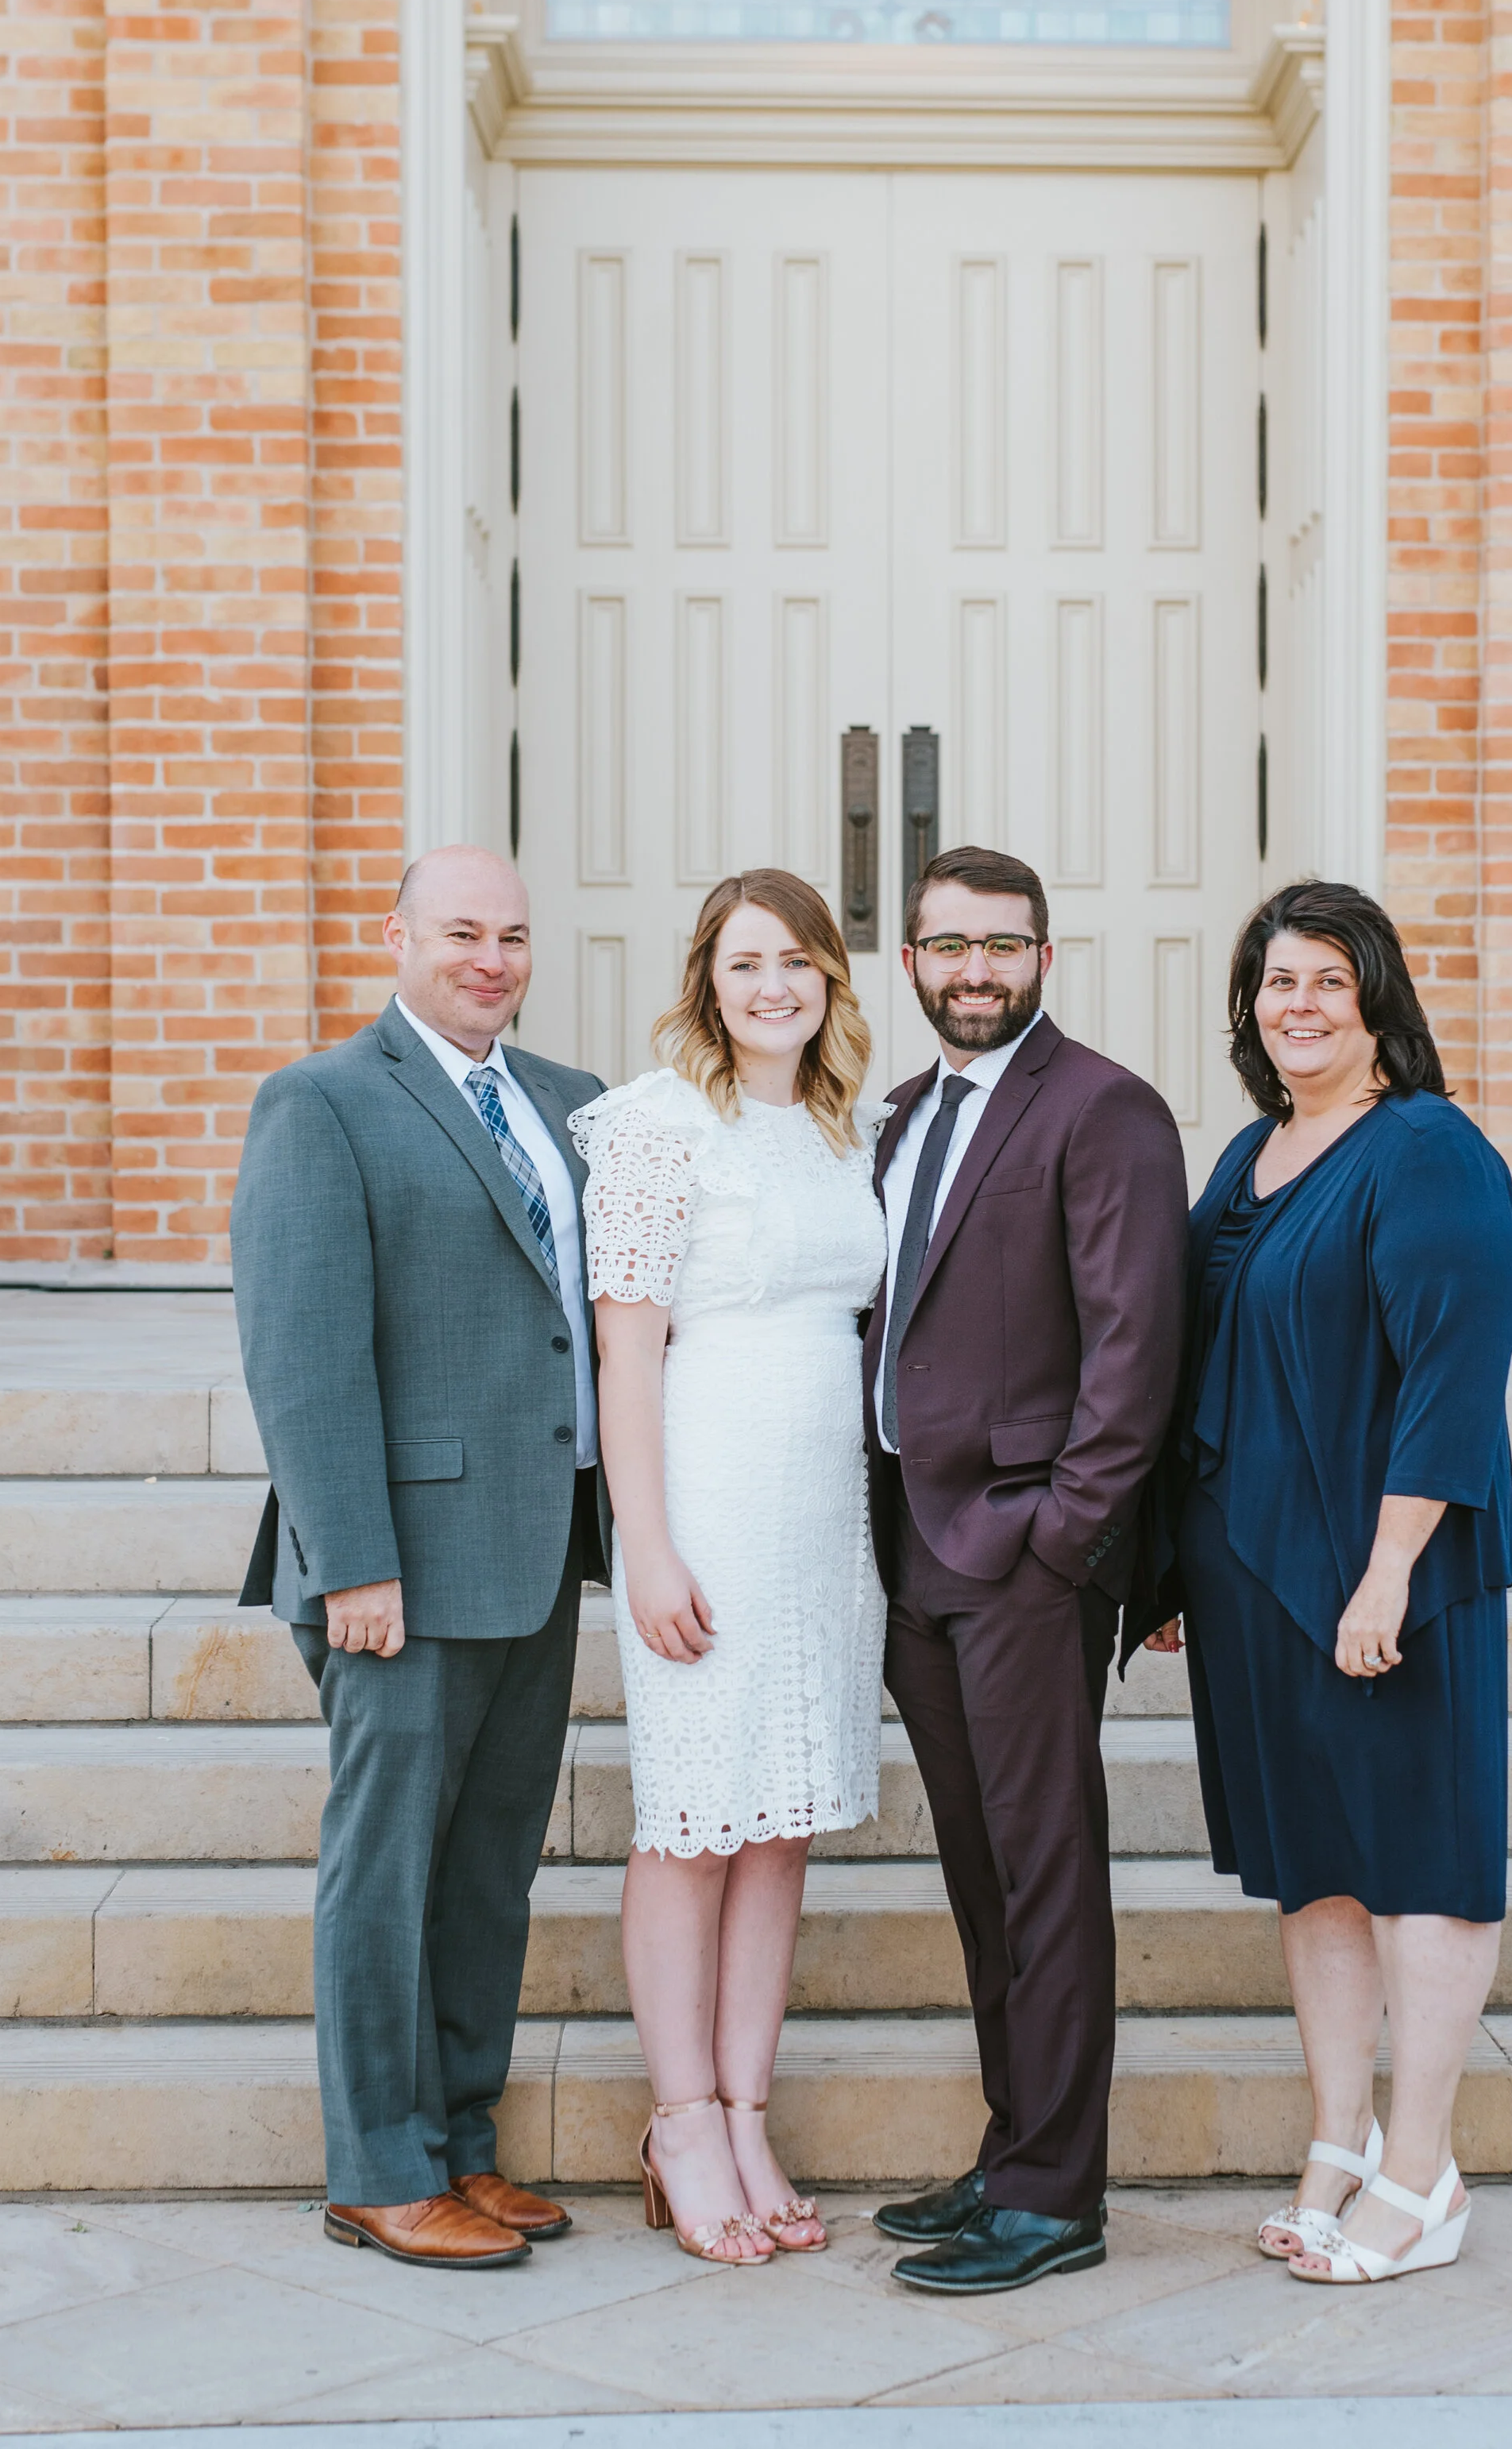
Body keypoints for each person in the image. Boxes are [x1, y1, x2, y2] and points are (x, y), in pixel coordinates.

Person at [1140, 879, 1512, 2287]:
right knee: (1314, 1877)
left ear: (1377, 1001)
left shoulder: (1425, 1148)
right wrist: (1175, 1565)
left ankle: (1423, 2173)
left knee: (1419, 1863)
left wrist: (1389, 1571)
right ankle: (1340, 2143)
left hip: (1388, 1577)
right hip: (1253, 1575)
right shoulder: (1251, 1150)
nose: (1296, 1003)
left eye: (1325, 979)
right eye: (1275, 980)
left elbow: (1453, 1376)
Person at [232, 845, 608, 2270]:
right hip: (397, 1566)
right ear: (398, 937)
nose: (490, 959)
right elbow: (302, 1357)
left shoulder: (571, 1105)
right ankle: (376, 2167)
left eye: (512, 935)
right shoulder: (322, 1104)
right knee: (386, 1869)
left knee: (489, 1866)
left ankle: (459, 2140)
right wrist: (352, 1564)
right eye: (462, 932)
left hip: (536, 1548)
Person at [866, 845, 1189, 2296]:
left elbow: (1135, 1352)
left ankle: (1059, 2194)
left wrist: (1067, 1539)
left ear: (1045, 960)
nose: (975, 970)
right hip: (912, 1554)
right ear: (913, 961)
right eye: (949, 946)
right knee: (981, 1872)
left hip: (1024, 1559)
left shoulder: (1107, 1109)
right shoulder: (898, 1116)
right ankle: (1013, 2153)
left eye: (1004, 946)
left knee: (1047, 1874)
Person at [569, 870, 887, 2267]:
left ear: (830, 980)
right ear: (707, 976)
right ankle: (682, 2119)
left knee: (780, 1823)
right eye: (747, 963)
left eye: (799, 963)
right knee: (692, 1820)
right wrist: (647, 1547)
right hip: (704, 1502)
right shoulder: (653, 1128)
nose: (775, 987)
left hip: (828, 1522)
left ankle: (750, 2109)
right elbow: (623, 1353)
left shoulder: (846, 1128)